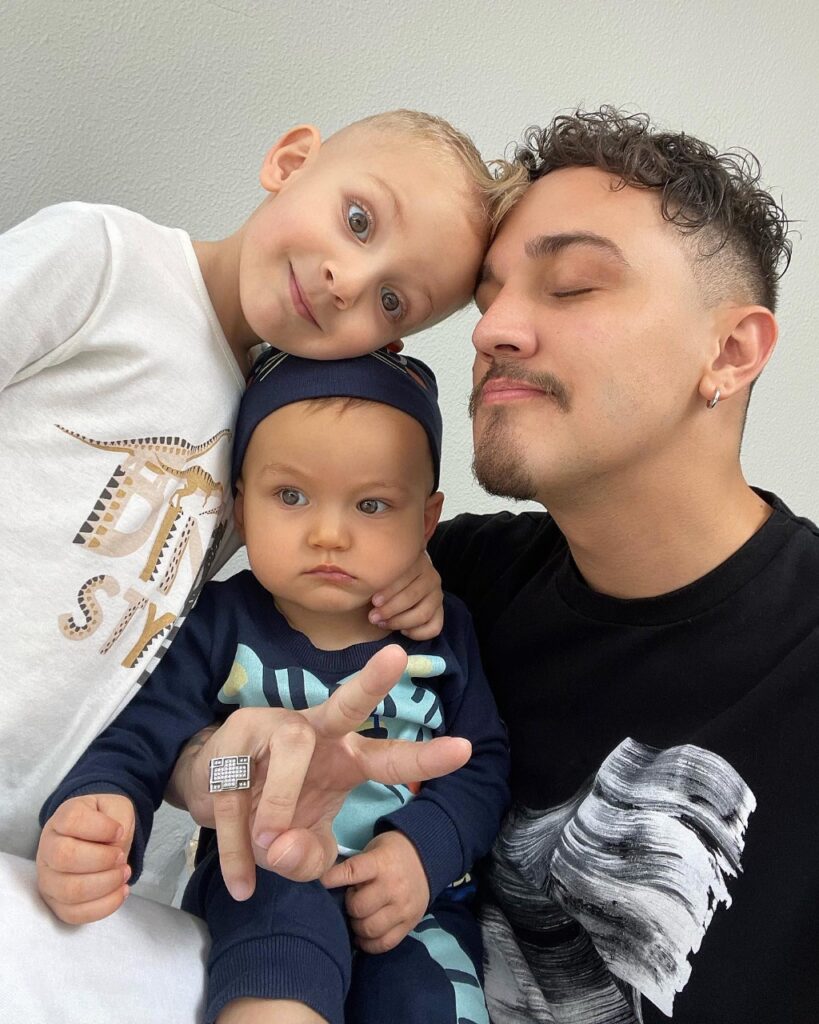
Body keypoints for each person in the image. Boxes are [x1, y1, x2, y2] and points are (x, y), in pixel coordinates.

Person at [175, 108, 816, 1024]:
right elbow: (188, 739)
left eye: (571, 286)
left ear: (729, 351)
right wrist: (221, 773)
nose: (493, 331)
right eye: (487, 300)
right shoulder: (429, 583)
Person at [0, 108, 524, 864]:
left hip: (29, 834)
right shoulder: (107, 260)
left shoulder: (268, 425)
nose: (349, 280)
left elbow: (313, 537)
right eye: (357, 219)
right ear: (290, 160)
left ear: (387, 343)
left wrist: (403, 565)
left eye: (390, 300)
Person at [37, 349, 510, 1024]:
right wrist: (101, 810)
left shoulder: (444, 631)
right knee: (276, 947)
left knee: (429, 998)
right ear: (240, 506)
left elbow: (483, 764)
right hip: (263, 878)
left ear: (426, 521)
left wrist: (420, 852)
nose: (328, 534)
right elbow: (141, 738)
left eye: (372, 504)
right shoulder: (216, 623)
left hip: (414, 903)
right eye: (290, 496)